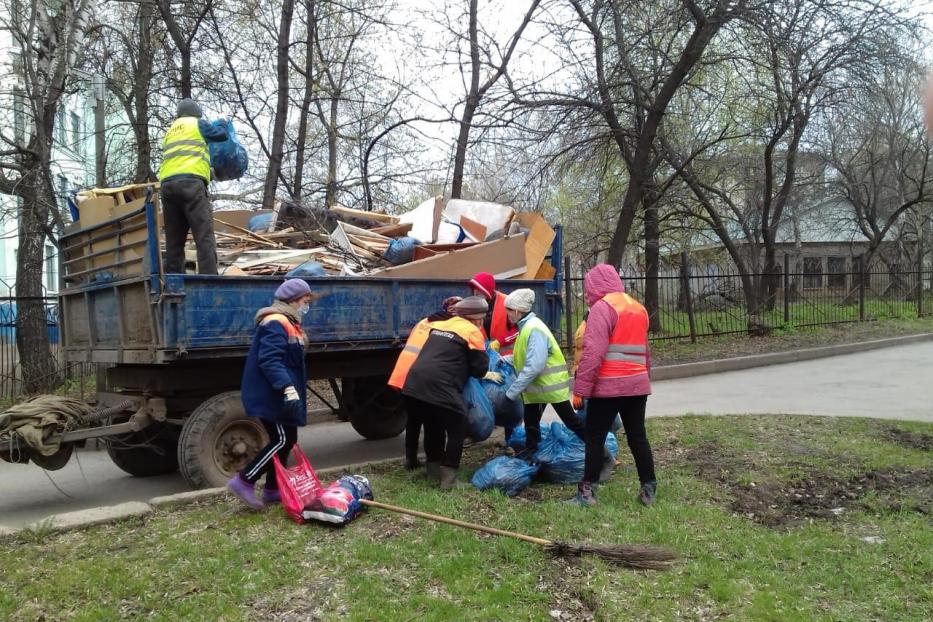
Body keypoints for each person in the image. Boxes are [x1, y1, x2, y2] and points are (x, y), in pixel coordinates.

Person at [571, 264, 657, 507]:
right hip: (637, 386)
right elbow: (646, 352)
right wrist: (643, 380)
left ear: (597, 285)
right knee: (637, 436)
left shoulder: (602, 308)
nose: (588, 294)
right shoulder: (638, 308)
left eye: (588, 289)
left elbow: (593, 354)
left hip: (608, 387)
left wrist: (580, 390)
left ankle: (587, 493)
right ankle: (648, 488)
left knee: (594, 437)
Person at [227, 278, 314, 509]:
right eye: (305, 301)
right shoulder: (276, 322)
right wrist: (286, 386)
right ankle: (244, 480)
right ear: (294, 300)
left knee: (287, 440)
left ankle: (273, 489)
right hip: (271, 394)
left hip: (282, 394)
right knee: (282, 439)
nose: (307, 305)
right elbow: (269, 360)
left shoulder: (289, 322)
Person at [401, 296, 490, 489]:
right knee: (458, 426)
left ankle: (433, 474)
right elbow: (479, 370)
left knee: (433, 425)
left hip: (414, 383)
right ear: (478, 319)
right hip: (440, 385)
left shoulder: (441, 325)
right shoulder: (473, 332)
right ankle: (449, 480)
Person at [503, 289, 587, 460]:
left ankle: (601, 451)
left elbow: (535, 364)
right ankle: (531, 450)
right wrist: (505, 360)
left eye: (509, 310)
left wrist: (512, 391)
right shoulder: (527, 327)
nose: (507, 314)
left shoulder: (534, 328)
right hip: (540, 387)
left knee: (571, 421)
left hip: (549, 386)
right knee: (531, 419)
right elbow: (526, 355)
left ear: (519, 310)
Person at [388, 295, 463, 470]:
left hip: (405, 375)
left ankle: (411, 459)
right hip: (420, 377)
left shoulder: (425, 321)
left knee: (413, 420)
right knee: (431, 421)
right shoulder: (444, 327)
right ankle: (434, 462)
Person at [158, 98, 229, 275]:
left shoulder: (170, 131)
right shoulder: (197, 124)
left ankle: (175, 282)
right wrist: (222, 123)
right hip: (191, 185)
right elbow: (221, 136)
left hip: (167, 187)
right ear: (195, 111)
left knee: (174, 240)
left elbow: (180, 157)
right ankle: (209, 280)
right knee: (203, 235)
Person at [469, 272, 519, 355]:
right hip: (484, 356)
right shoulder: (472, 305)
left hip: (507, 358)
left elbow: (519, 329)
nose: (475, 292)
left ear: (487, 289)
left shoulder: (507, 302)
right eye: (474, 288)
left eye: (479, 289)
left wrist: (500, 342)